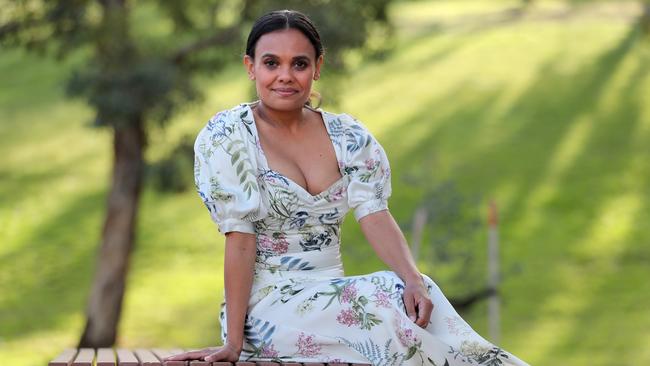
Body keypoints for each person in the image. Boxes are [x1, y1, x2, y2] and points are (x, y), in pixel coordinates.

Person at [166, 9, 528, 366]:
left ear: (318, 67)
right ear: (251, 67)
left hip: (334, 298)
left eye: (300, 64)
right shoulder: (228, 136)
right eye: (271, 63)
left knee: (409, 292)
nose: (285, 76)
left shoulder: (348, 137)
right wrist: (232, 342)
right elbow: (240, 240)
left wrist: (413, 278)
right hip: (268, 306)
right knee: (378, 307)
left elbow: (374, 214)